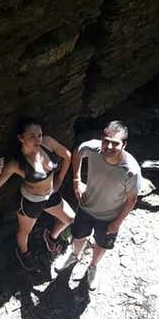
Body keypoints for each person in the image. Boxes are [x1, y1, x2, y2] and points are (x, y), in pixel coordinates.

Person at [57, 121, 142, 290]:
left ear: (124, 145)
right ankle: (74, 255)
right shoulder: (92, 148)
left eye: (115, 143)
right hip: (86, 206)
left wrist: (117, 223)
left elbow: (131, 200)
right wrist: (76, 180)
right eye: (106, 140)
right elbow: (77, 152)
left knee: (101, 244)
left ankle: (93, 266)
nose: (109, 146)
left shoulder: (131, 171)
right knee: (79, 235)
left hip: (109, 216)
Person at [0, 117, 75, 271]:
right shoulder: (17, 163)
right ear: (21, 138)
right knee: (25, 231)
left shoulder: (47, 143)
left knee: (70, 218)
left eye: (39, 135)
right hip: (30, 201)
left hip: (50, 194)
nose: (37, 140)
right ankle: (24, 253)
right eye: (31, 136)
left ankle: (51, 237)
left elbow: (67, 155)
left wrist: (59, 180)